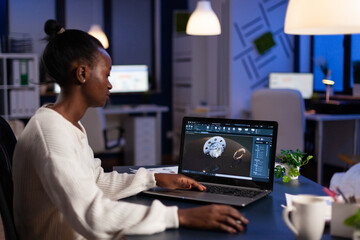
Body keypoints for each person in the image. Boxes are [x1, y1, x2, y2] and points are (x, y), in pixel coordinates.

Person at [12, 19, 248, 240]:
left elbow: (93, 181)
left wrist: (153, 178)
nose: (110, 84)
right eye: (106, 74)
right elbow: (93, 215)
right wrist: (180, 216)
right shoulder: (51, 133)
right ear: (83, 73)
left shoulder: (64, 123)